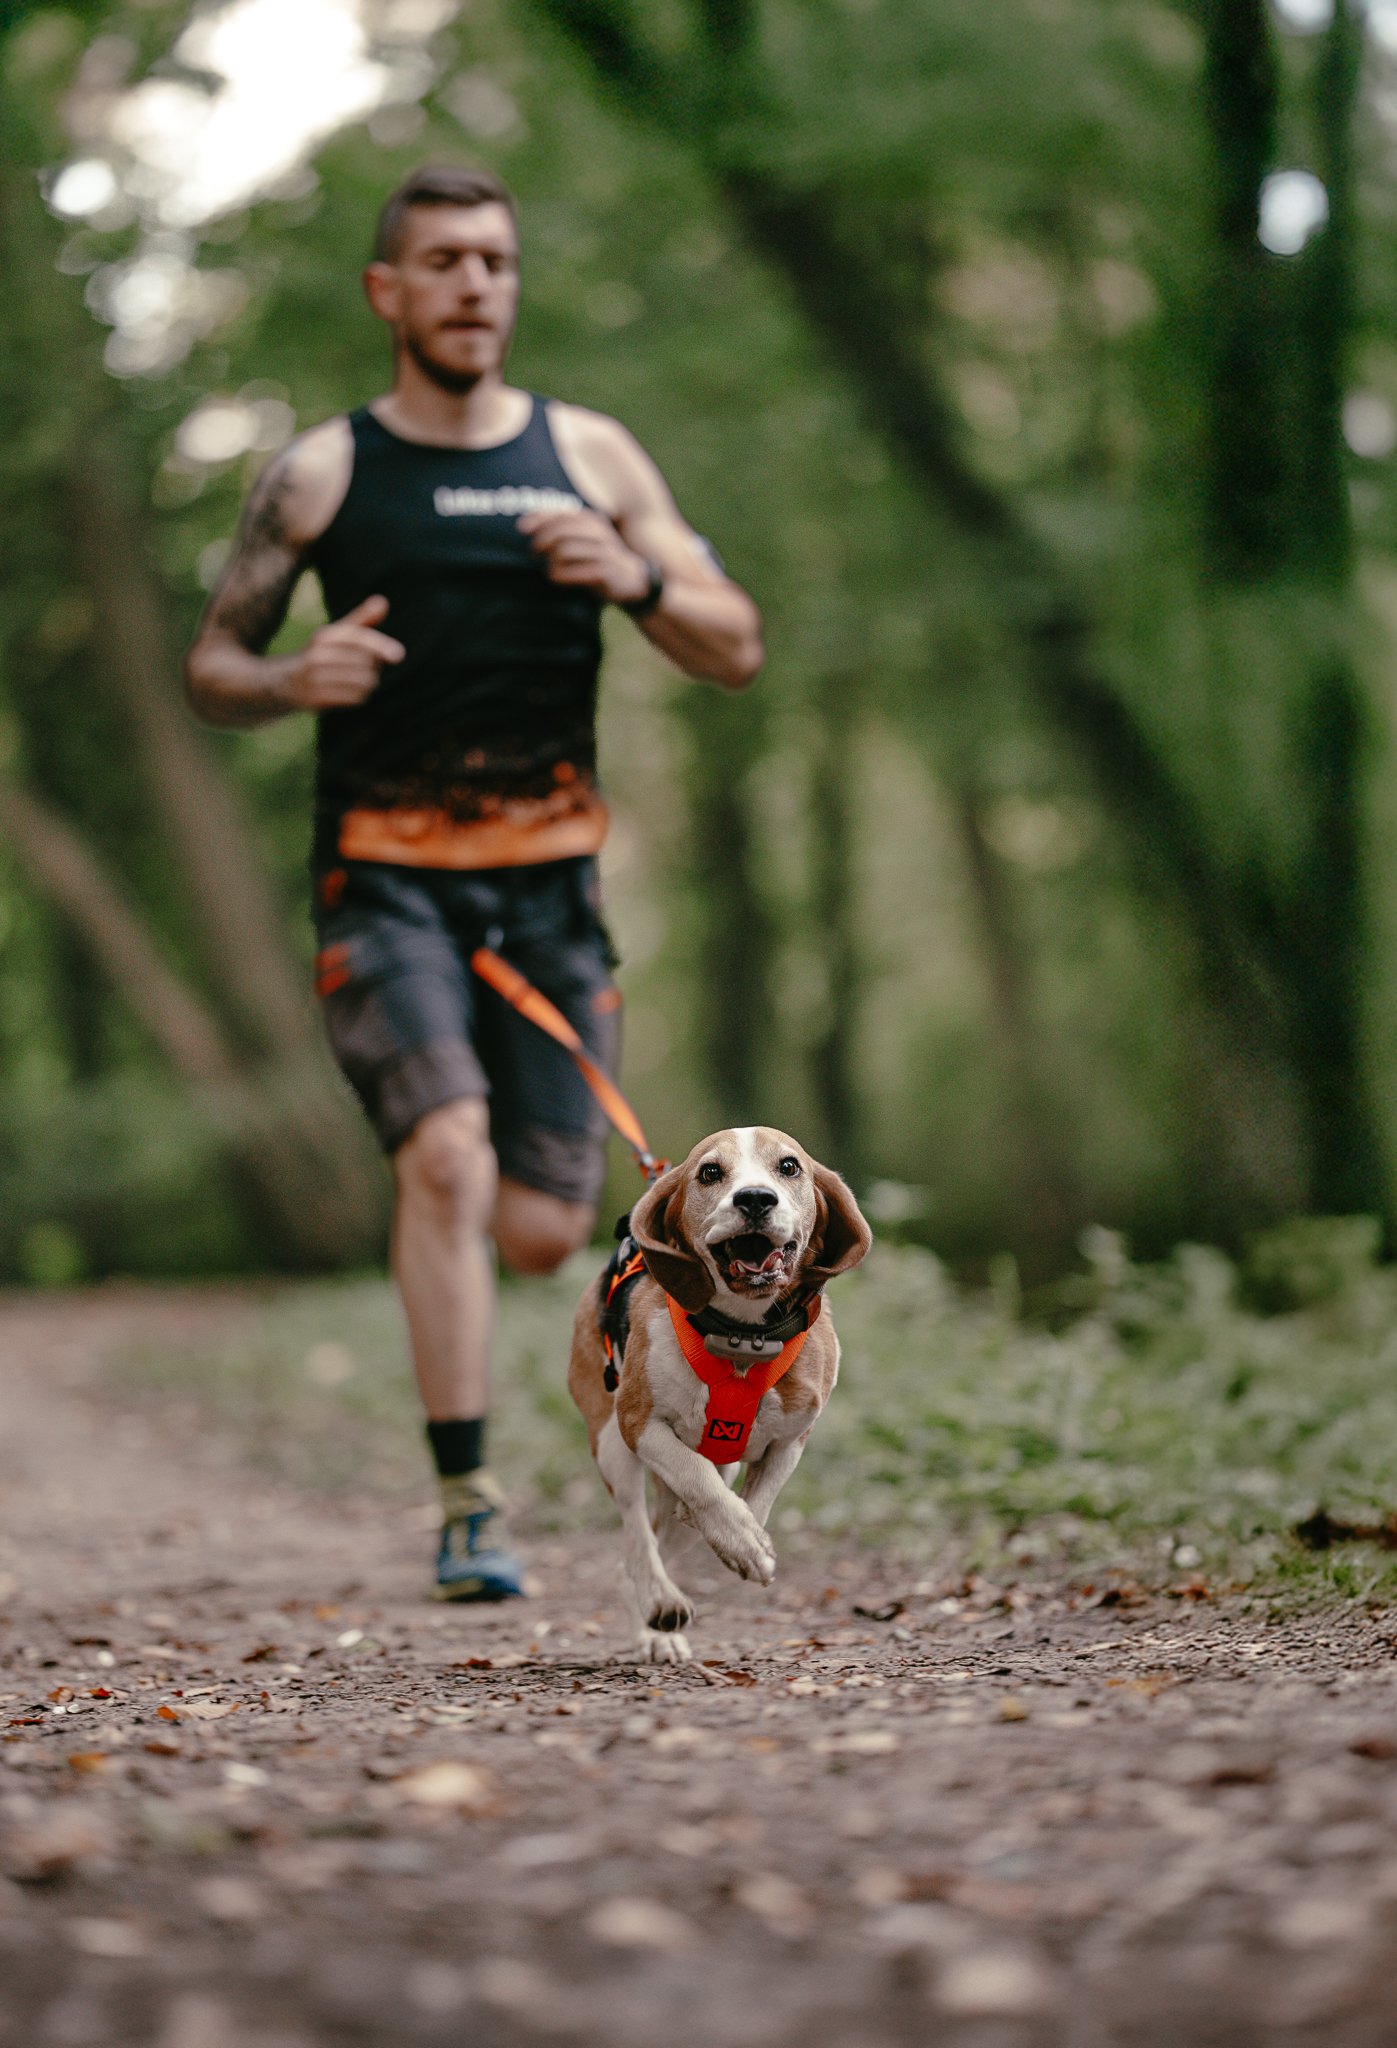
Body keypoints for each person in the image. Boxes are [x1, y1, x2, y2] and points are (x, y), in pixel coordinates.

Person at [184, 165, 763, 1600]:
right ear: (389, 291)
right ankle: (467, 1501)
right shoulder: (321, 474)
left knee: (540, 1228)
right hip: (384, 886)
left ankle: (503, 1394)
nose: (471, 284)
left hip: (552, 896)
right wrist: (288, 677)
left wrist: (630, 577)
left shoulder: (596, 458)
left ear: (514, 283)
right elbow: (212, 666)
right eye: (440, 261)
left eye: (493, 261)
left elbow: (733, 640)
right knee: (441, 1158)